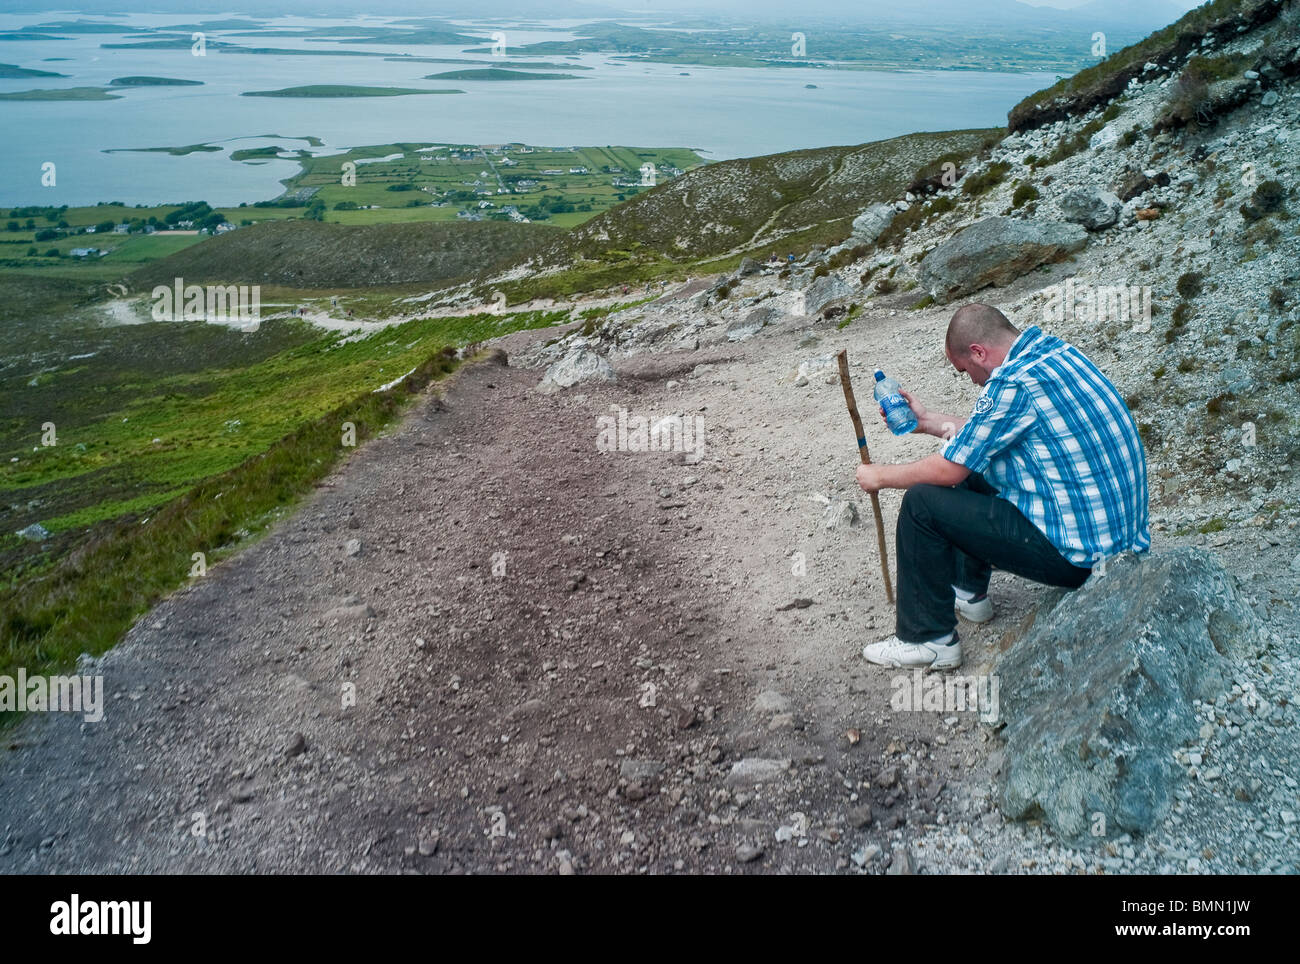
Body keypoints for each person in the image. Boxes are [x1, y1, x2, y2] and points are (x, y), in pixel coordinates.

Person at [854, 303, 1150, 670]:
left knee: (922, 503)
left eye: (966, 371)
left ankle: (927, 639)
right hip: (1121, 544)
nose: (973, 381)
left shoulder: (1010, 383)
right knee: (979, 462)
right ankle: (968, 592)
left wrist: (879, 476)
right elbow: (986, 435)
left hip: (1082, 559)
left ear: (978, 352)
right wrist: (925, 420)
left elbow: (949, 471)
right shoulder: (1054, 353)